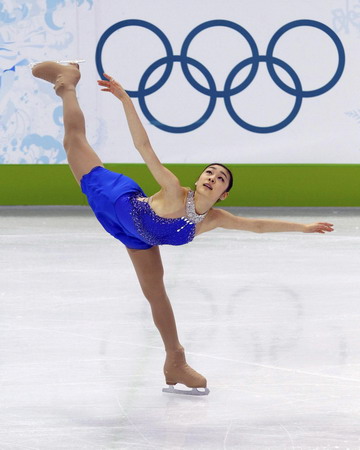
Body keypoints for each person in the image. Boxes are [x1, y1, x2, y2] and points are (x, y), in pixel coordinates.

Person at [31, 61, 334, 395]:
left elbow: (258, 225)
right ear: (199, 178)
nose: (212, 178)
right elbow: (144, 147)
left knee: (156, 293)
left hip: (137, 236)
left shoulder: (214, 219)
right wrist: (126, 100)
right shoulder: (174, 190)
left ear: (223, 193)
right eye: (209, 173)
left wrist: (303, 228)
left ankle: (175, 360)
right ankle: (68, 83)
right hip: (117, 200)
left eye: (220, 178)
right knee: (74, 142)